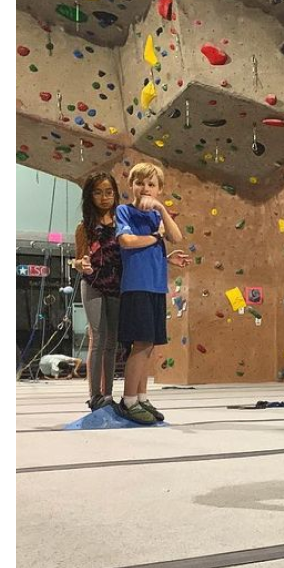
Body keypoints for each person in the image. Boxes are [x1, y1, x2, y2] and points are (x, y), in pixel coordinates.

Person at [112, 163, 192, 425]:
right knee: (140, 344)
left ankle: (142, 396)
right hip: (137, 286)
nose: (145, 188)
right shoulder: (124, 211)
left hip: (157, 286)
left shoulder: (157, 216)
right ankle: (128, 400)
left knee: (149, 346)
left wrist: (161, 211)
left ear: (159, 189)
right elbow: (127, 242)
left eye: (151, 184)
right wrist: (155, 238)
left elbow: (177, 236)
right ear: (131, 185)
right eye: (139, 183)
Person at [70, 171, 124, 410]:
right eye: (98, 192)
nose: (104, 198)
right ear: (90, 196)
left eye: (109, 192)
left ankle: (108, 394)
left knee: (112, 341)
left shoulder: (123, 224)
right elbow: (79, 258)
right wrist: (80, 264)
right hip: (92, 283)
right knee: (98, 337)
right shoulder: (85, 227)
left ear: (115, 195)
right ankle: (94, 395)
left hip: (117, 284)